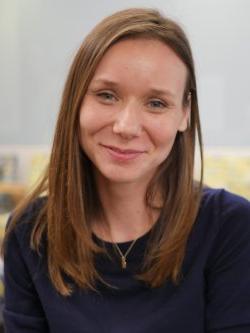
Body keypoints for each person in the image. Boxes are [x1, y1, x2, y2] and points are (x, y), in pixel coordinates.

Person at [2, 7, 250, 333]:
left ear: (184, 114)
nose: (127, 126)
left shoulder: (230, 227)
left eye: (157, 103)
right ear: (76, 101)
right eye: (107, 95)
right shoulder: (31, 232)